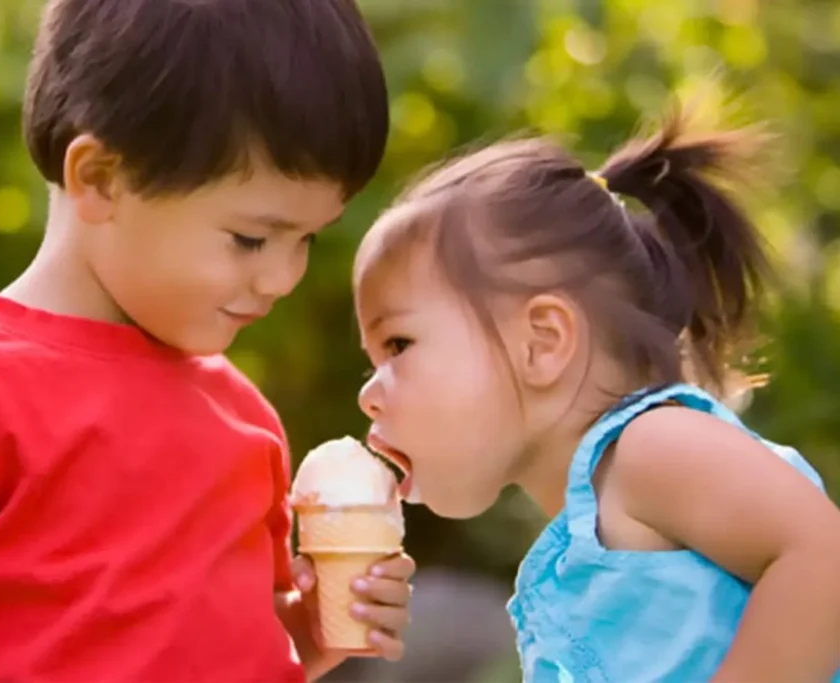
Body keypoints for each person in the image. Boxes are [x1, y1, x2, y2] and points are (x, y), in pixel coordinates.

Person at [0, 0, 415, 680]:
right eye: (251, 238)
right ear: (100, 179)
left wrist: (315, 628)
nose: (283, 276)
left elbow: (236, 647)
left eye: (306, 238)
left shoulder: (246, 420)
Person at [353, 102, 840, 682]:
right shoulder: (585, 532)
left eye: (399, 346)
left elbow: (823, 555)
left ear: (542, 342)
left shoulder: (651, 447)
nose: (370, 395)